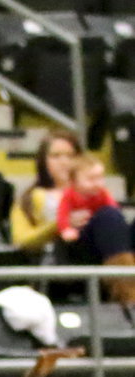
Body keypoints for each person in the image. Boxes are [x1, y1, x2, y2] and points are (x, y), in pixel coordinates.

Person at [10, 130, 135, 304]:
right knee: (108, 216)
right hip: (65, 255)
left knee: (111, 216)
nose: (64, 162)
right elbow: (21, 241)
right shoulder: (29, 199)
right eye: (56, 156)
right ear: (43, 161)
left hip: (103, 250)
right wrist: (59, 225)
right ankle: (129, 295)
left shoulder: (95, 191)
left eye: (71, 155)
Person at [57, 155, 118, 244]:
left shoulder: (102, 193)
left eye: (100, 178)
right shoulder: (69, 195)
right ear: (74, 182)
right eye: (91, 179)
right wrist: (66, 229)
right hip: (79, 233)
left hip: (99, 230)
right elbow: (62, 215)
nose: (97, 183)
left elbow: (113, 209)